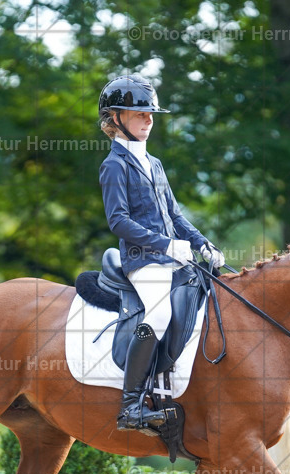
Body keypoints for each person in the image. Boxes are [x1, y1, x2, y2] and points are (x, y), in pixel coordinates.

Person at [97, 74, 226, 432]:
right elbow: (118, 221)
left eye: (151, 114)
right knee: (156, 315)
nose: (149, 120)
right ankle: (131, 405)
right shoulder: (114, 166)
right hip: (142, 261)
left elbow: (174, 215)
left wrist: (202, 243)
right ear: (116, 118)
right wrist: (166, 244)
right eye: (140, 114)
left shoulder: (154, 163)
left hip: (173, 258)